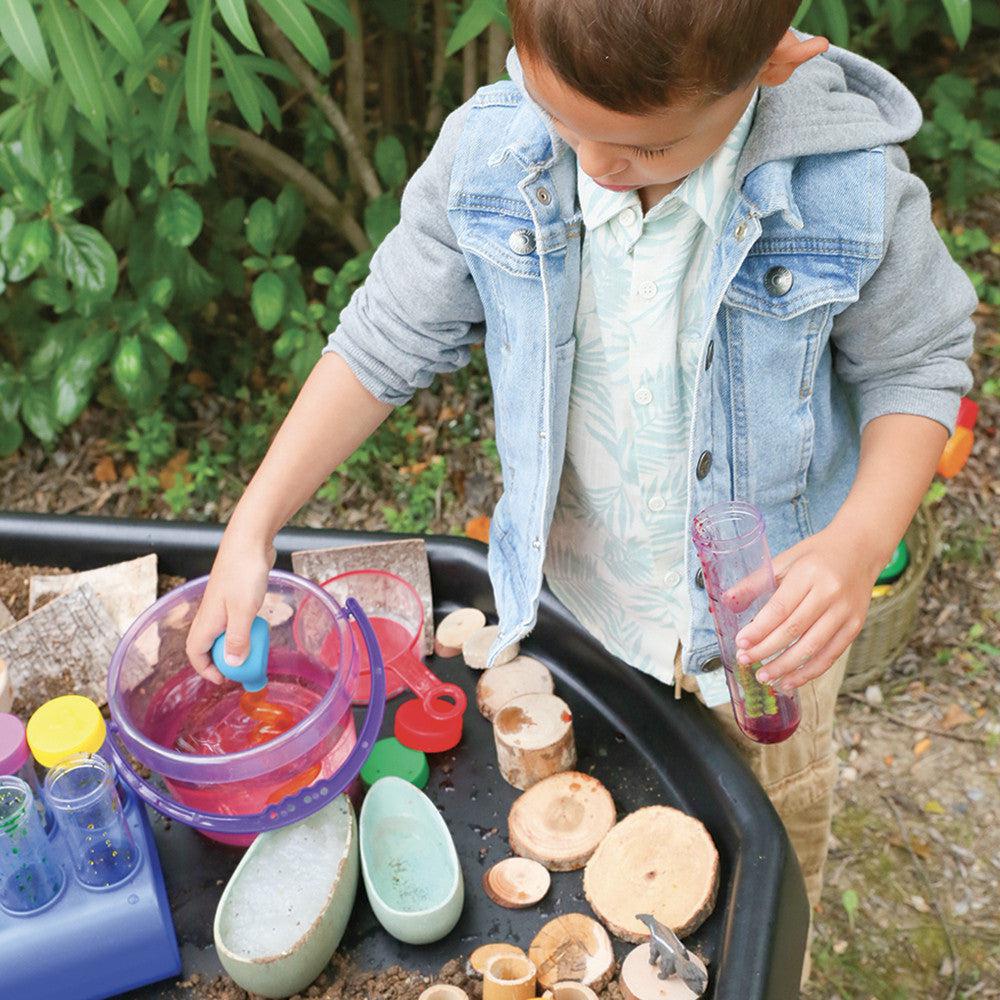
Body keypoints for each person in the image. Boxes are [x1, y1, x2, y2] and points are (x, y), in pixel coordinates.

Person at [187, 0, 975, 983]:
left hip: (764, 640)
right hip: (576, 615)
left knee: (758, 887)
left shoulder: (843, 188)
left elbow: (918, 363)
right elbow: (384, 336)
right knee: (593, 865)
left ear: (774, 61)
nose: (598, 166)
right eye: (570, 124)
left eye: (647, 147)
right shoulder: (494, 154)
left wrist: (858, 542)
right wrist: (253, 521)